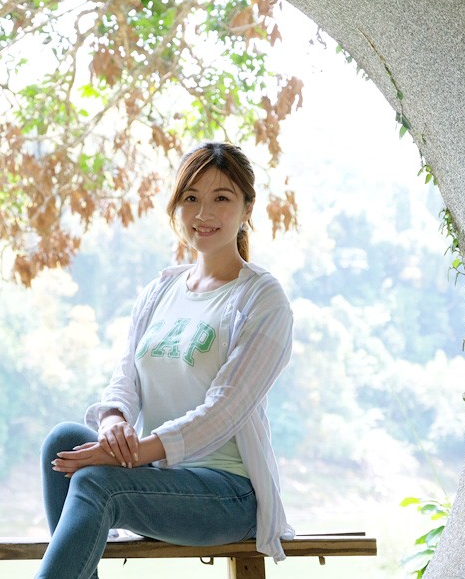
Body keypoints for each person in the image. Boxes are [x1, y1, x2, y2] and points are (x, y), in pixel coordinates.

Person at [36, 142, 295, 579]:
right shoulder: (163, 288)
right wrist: (114, 422)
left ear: (247, 207)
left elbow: (223, 412)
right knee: (62, 443)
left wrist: (136, 454)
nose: (203, 213)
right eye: (191, 198)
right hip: (157, 475)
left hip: (227, 493)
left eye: (221, 198)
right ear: (176, 207)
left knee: (97, 482)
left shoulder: (262, 298)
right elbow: (126, 376)